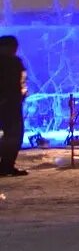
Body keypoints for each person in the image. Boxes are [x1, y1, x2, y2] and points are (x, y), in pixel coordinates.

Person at [0, 35, 28, 177]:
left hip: (13, 104)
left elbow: (22, 82)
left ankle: (7, 166)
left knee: (14, 136)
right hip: (10, 105)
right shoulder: (13, 63)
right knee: (13, 135)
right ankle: (6, 166)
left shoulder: (16, 63)